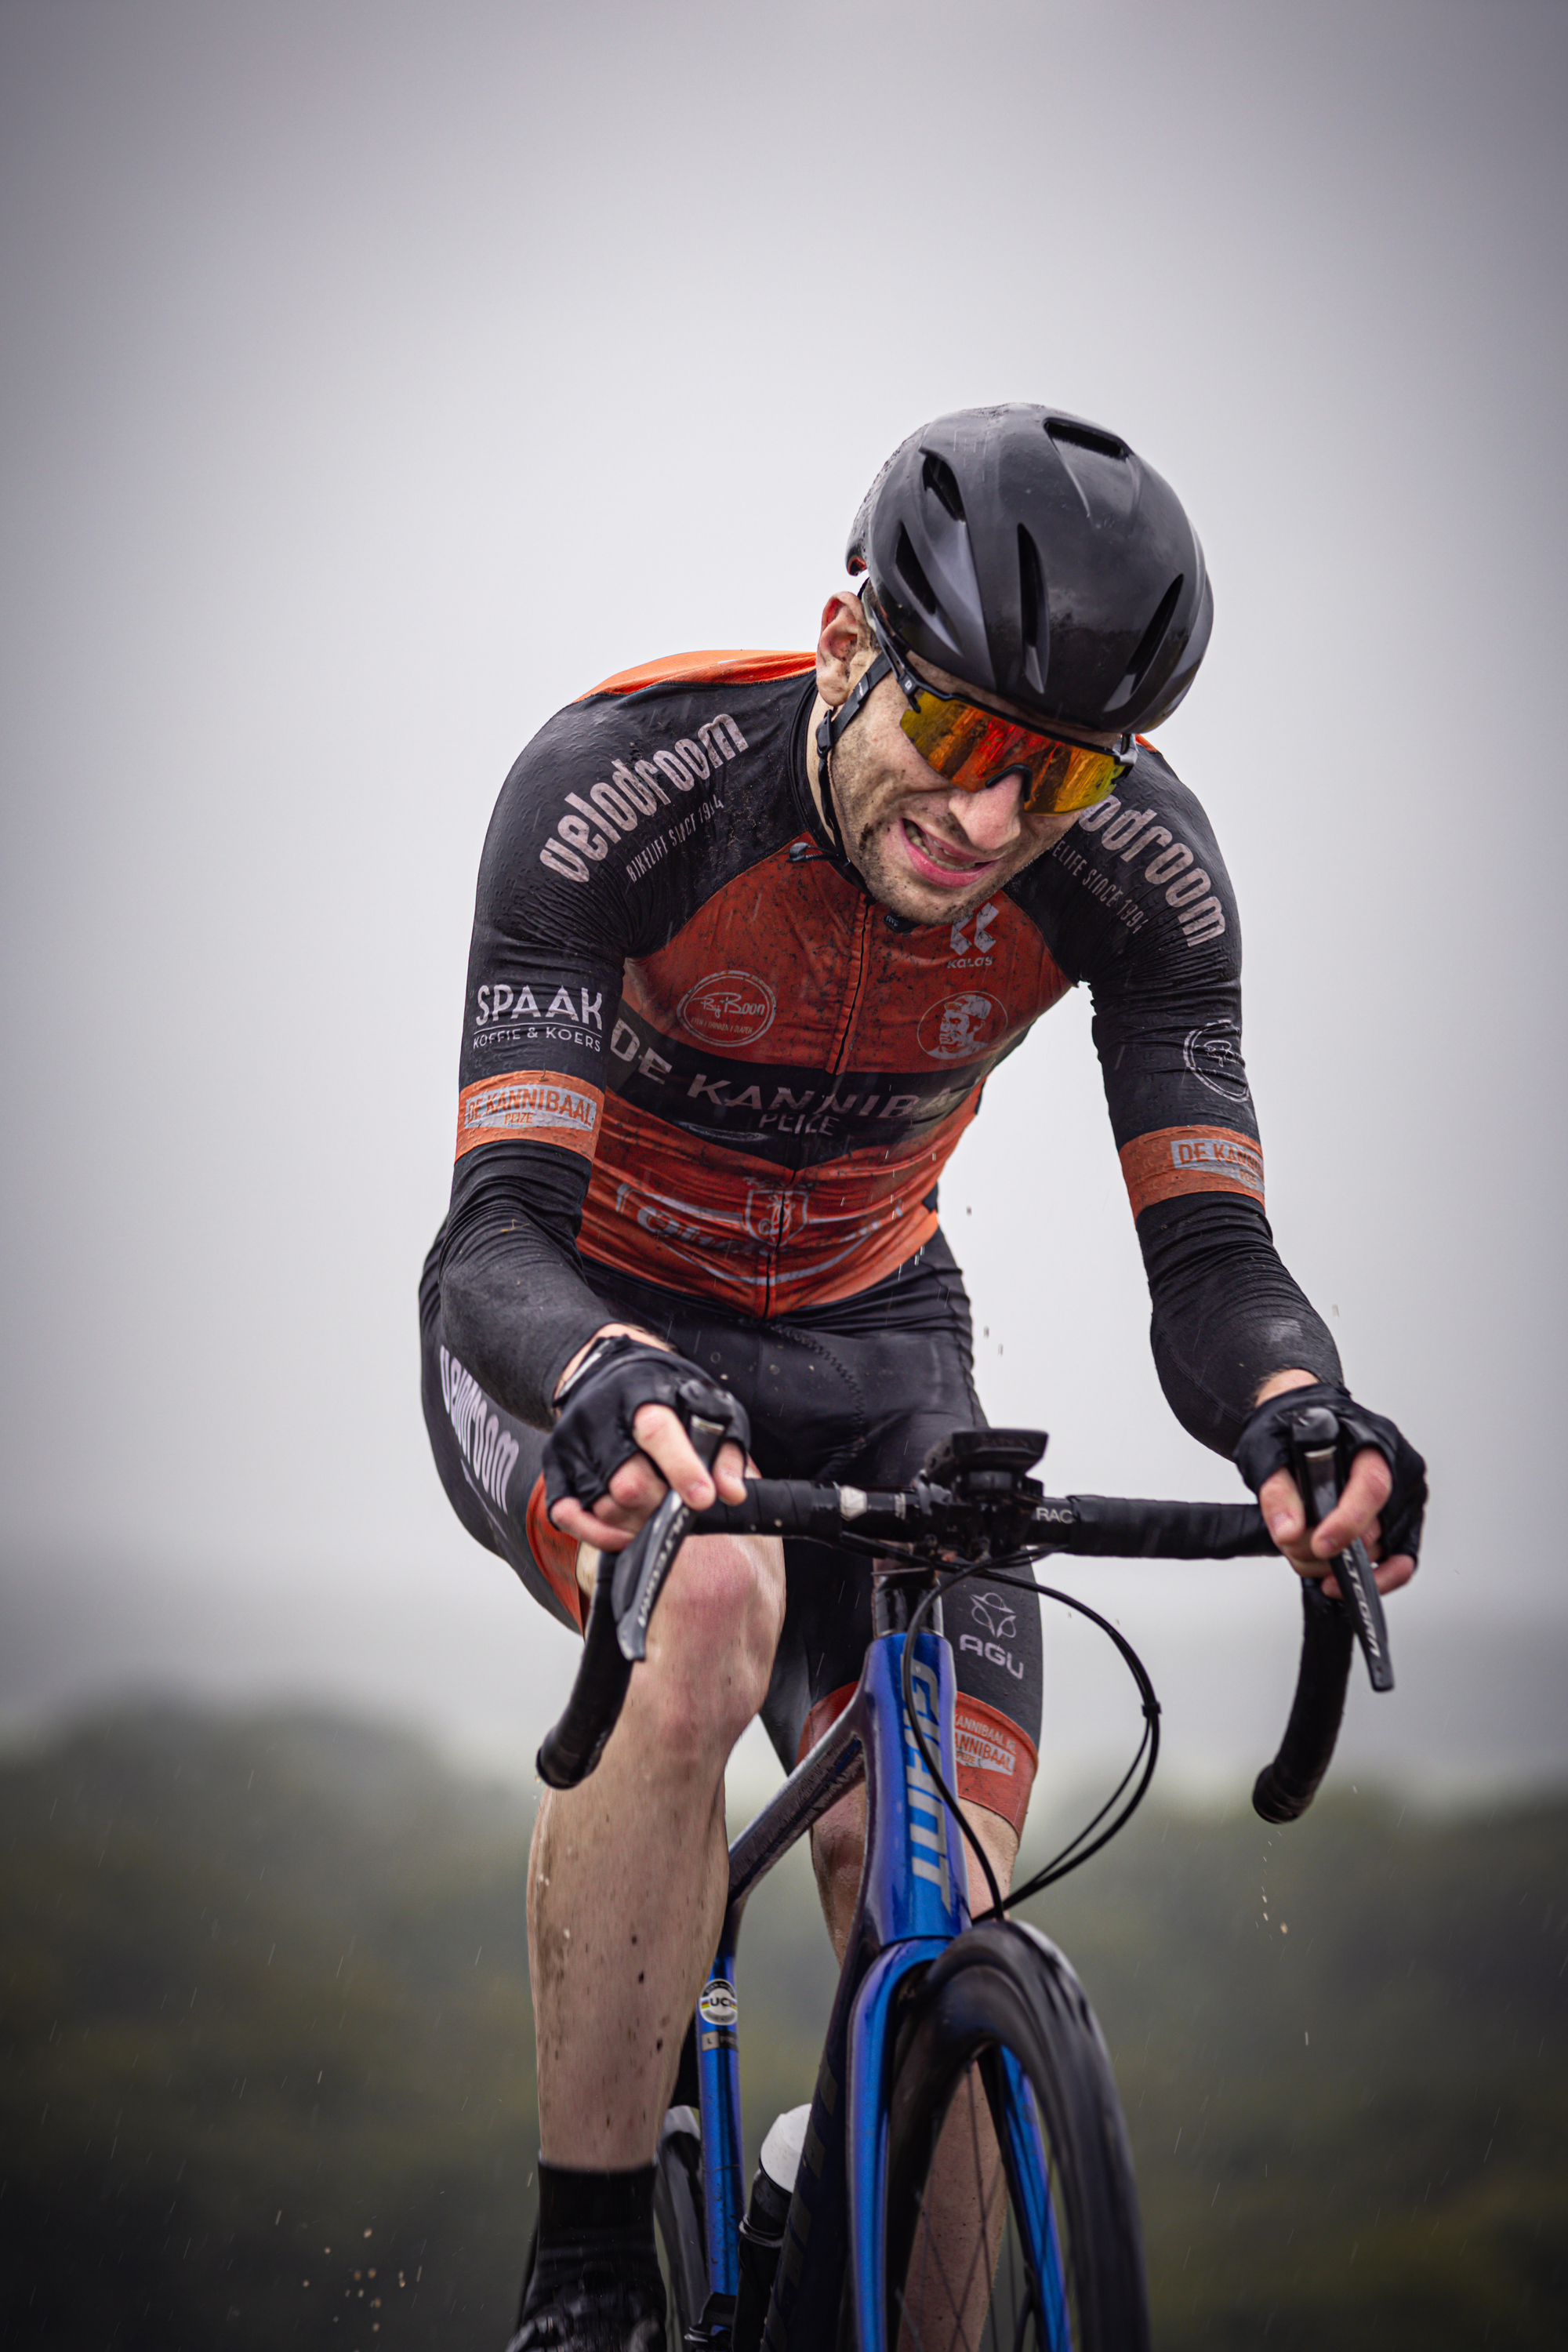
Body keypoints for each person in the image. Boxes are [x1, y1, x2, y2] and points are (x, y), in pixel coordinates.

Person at [418, 403, 1426, 2351]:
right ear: (842, 640)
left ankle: (866, 2182)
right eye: (957, 737)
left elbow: (1212, 1262)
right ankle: (584, 2276)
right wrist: (609, 1370)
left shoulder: (1140, 872)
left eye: (1053, 779)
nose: (986, 821)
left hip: (882, 1348)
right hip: (586, 1325)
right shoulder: (620, 791)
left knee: (934, 1904)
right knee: (703, 1593)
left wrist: (1300, 1408)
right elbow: (492, 1242)